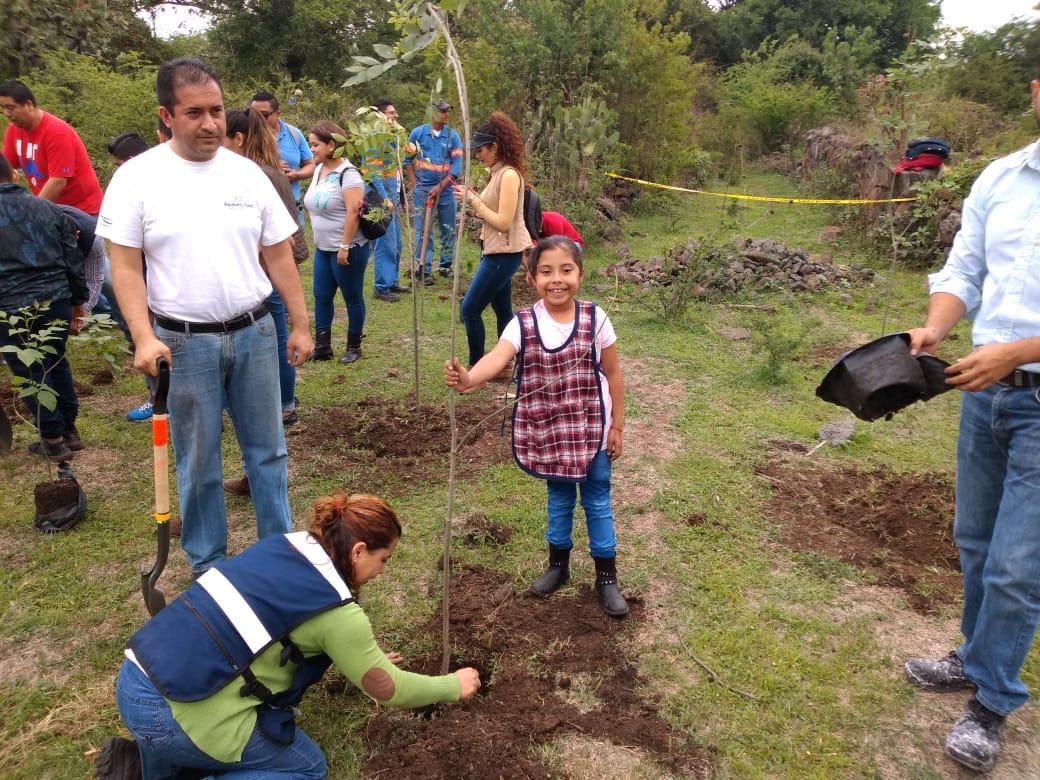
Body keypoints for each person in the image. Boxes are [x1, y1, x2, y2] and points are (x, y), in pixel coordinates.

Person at [97, 58, 313, 579]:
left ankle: (278, 557)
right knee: (198, 462)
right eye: (195, 112)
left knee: (268, 453)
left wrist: (302, 323)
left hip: (256, 331)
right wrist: (143, 336)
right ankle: (209, 567)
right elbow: (124, 266)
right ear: (167, 115)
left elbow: (279, 254)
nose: (211, 123)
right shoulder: (137, 178)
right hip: (182, 341)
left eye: (216, 110)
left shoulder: (250, 175)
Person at [95, 493, 481, 779]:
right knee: (306, 767)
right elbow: (389, 690)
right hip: (170, 716)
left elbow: (270, 624)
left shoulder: (286, 546)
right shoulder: (341, 617)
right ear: (360, 550)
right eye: (384, 559)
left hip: (136, 678)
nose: (384, 570)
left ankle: (143, 768)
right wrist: (452, 685)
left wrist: (366, 658)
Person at [901, 65, 1040, 773]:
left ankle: (991, 701)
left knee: (1019, 565)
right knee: (977, 541)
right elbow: (964, 271)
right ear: (1036, 88)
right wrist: (934, 328)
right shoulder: (1001, 179)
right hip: (985, 391)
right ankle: (975, 656)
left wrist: (1018, 350)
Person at [445, 236, 628, 617]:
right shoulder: (523, 323)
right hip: (549, 431)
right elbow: (497, 358)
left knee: (597, 500)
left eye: (566, 270)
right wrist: (468, 379)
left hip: (592, 429)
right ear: (530, 278)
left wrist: (618, 426)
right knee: (559, 498)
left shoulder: (596, 319)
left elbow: (612, 374)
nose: (556, 280)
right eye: (545, 271)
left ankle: (606, 577)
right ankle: (557, 565)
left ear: (581, 274)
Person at [222, 107, 311, 497]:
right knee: (276, 343)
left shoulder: (255, 176)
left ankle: (283, 405)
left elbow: (285, 237)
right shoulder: (265, 171)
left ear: (238, 139)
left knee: (276, 344)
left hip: (264, 279)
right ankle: (280, 407)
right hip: (262, 277)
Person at [0, 154, 87, 462]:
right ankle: (70, 430)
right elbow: (72, 258)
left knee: (29, 371)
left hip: (10, 308)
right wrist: (78, 301)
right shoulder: (47, 207)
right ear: (13, 174)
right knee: (55, 360)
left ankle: (53, 439)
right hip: (56, 300)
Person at [452, 112, 531, 373]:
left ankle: (477, 369)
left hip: (504, 254)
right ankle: (506, 364)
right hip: (497, 250)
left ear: (495, 147)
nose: (478, 156)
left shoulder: (508, 175)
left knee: (470, 309)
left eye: (481, 150)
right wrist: (473, 198)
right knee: (502, 310)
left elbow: (503, 221)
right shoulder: (497, 173)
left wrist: (473, 201)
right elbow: (491, 208)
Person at [304, 120, 372, 365]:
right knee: (321, 295)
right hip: (323, 248)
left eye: (315, 145)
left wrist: (344, 246)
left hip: (348, 249)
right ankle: (323, 346)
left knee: (352, 296)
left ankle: (354, 346)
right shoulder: (318, 170)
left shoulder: (348, 173)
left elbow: (354, 212)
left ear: (331, 144)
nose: (312, 149)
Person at [0, 79, 103, 215]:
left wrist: (32, 215)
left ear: (28, 105)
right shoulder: (15, 130)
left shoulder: (56, 133)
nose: (6, 113)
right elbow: (5, 167)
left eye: (10, 107)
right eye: (3, 108)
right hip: (51, 209)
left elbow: (58, 181)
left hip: (81, 211)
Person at [405, 99, 463, 282]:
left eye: (448, 111)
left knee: (448, 228)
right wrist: (414, 182)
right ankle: (424, 267)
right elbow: (407, 160)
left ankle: (445, 266)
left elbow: (457, 166)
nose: (446, 114)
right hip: (422, 190)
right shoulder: (417, 133)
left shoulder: (452, 136)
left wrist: (441, 186)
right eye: (443, 111)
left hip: (445, 190)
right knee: (423, 230)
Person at [251, 90, 314, 228]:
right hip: (259, 209)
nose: (258, 120)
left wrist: (297, 175)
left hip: (291, 206)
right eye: (253, 115)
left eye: (264, 115)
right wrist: (271, 168)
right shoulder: (246, 137)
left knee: (296, 248)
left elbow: (310, 164)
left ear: (277, 114)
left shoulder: (294, 133)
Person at [368, 97, 410, 302]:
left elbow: (397, 172)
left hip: (393, 194)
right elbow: (374, 172)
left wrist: (400, 197)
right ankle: (381, 286)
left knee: (397, 242)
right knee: (386, 242)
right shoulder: (374, 139)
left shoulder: (392, 137)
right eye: (392, 113)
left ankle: (392, 281)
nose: (396, 116)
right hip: (382, 197)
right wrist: (385, 199)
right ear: (381, 115)